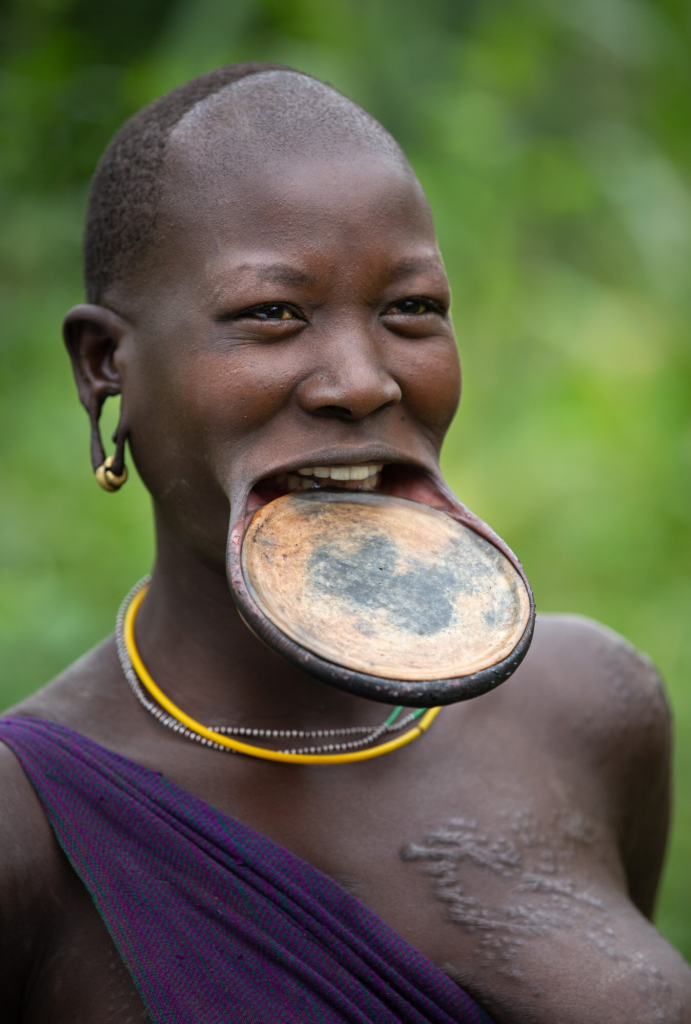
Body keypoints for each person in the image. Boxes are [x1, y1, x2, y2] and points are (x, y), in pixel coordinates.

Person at [0, 62, 689, 1024]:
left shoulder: (588, 706)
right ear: (104, 364)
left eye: (410, 309)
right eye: (271, 314)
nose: (362, 381)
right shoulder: (28, 821)